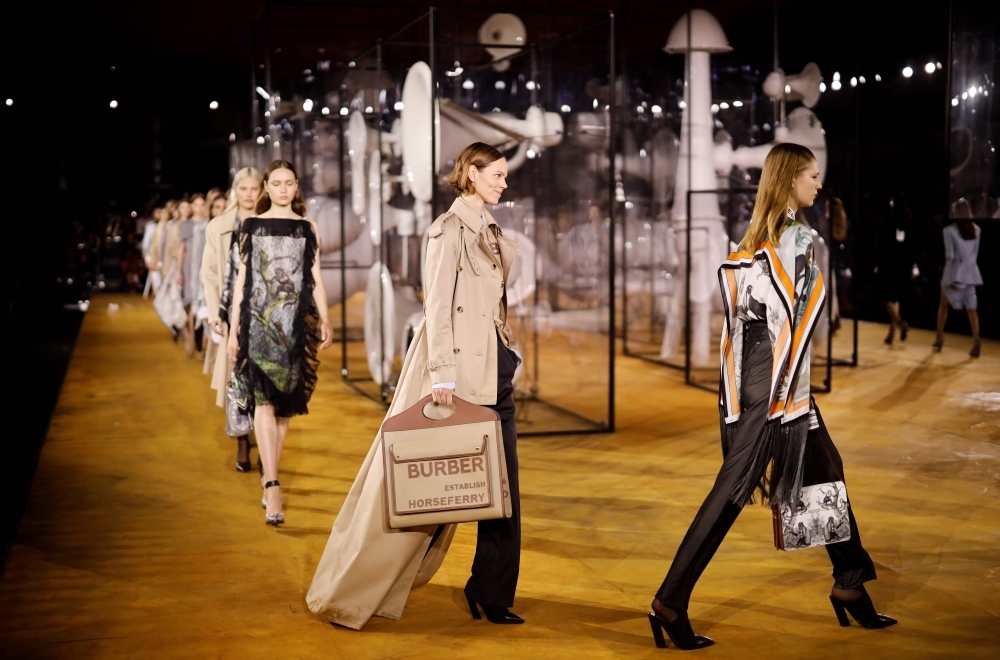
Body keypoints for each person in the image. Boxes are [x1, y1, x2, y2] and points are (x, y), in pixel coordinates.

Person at [647, 144, 895, 651]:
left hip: (758, 371)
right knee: (731, 491)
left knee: (826, 466)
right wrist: (785, 387)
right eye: (812, 176)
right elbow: (799, 317)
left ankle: (850, 582)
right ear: (790, 182)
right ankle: (670, 600)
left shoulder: (754, 236)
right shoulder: (798, 236)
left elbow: (745, 313)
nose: (818, 185)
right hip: (778, 378)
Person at [307, 142, 523, 630]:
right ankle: (362, 585)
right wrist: (442, 373)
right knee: (430, 492)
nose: (504, 183)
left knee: (503, 490)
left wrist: (509, 349)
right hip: (460, 378)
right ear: (471, 173)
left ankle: (490, 592)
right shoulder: (448, 231)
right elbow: (439, 309)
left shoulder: (488, 229)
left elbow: (490, 305)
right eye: (498, 175)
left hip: (494, 371)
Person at [227, 160, 332, 525]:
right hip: (257, 325)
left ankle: (269, 472)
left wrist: (327, 318)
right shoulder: (251, 227)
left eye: (289, 183)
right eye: (277, 183)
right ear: (266, 188)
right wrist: (231, 333)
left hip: (294, 327)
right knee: (263, 403)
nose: (283, 188)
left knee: (285, 407)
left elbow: (314, 278)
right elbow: (243, 284)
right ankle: (273, 485)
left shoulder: (307, 228)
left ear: (297, 187)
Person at [202, 167, 262, 471]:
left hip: (266, 314)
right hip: (233, 315)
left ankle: (266, 445)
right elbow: (209, 273)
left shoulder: (270, 220)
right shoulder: (219, 226)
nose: (249, 195)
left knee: (267, 380)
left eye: (254, 189)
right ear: (234, 191)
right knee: (237, 380)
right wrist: (215, 314)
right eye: (243, 189)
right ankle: (242, 441)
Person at [934, 199, 982, 357]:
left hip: (955, 273)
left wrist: (952, 278)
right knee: (971, 308)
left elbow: (950, 256)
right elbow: (974, 255)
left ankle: (939, 337)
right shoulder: (977, 230)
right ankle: (976, 339)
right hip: (971, 273)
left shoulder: (949, 231)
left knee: (943, 305)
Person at [878, 193, 913, 345]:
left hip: (889, 265)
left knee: (886, 298)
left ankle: (899, 323)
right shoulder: (908, 224)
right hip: (902, 266)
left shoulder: (889, 222)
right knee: (895, 298)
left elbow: (883, 246)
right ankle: (891, 333)